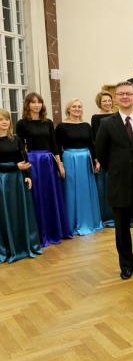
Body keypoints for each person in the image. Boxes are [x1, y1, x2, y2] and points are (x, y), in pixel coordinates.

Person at [95, 81, 133, 280]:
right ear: (116, 98)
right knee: (121, 228)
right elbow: (101, 153)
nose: (125, 97)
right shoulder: (106, 124)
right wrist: (117, 170)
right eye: (121, 94)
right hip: (118, 184)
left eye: (129, 93)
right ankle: (126, 264)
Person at [16, 93, 72, 247]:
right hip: (32, 162)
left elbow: (54, 145)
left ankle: (55, 230)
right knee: (37, 196)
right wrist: (24, 167)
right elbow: (20, 148)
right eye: (33, 102)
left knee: (50, 195)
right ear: (27, 105)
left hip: (48, 161)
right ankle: (40, 233)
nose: (36, 105)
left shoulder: (48, 122)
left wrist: (60, 164)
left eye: (39, 102)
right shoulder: (21, 124)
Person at [55, 98, 103, 235]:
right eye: (74, 106)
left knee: (86, 190)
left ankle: (89, 221)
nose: (77, 109)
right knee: (71, 191)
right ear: (68, 109)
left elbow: (92, 144)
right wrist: (60, 165)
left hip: (86, 159)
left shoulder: (86, 125)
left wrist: (96, 160)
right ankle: (72, 224)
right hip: (69, 159)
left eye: (79, 107)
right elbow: (57, 147)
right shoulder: (61, 126)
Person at [0, 109, 42, 263]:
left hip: (18, 180)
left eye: (6, 119)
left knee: (22, 212)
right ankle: (9, 248)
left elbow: (23, 158)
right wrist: (14, 166)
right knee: (6, 214)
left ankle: (25, 245)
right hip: (3, 181)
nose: (4, 122)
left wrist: (28, 176)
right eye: (0, 120)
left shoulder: (16, 139)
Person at [91, 91, 115, 226]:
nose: (107, 103)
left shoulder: (117, 115)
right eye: (104, 101)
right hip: (103, 156)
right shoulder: (95, 118)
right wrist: (97, 159)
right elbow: (95, 140)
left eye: (109, 100)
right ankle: (105, 217)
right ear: (99, 103)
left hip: (116, 155)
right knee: (103, 187)